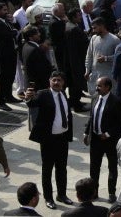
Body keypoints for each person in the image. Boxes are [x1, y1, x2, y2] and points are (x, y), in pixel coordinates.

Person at [28, 71, 76, 205]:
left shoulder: (63, 94)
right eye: (54, 80)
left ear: (63, 83)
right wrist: (28, 98)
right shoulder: (43, 94)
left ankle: (62, 195)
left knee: (62, 168)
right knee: (47, 169)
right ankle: (48, 198)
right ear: (49, 81)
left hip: (62, 139)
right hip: (48, 139)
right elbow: (32, 103)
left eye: (59, 80)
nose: (56, 82)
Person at [85, 77, 121, 202]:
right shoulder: (95, 98)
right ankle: (94, 192)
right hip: (96, 140)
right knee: (94, 167)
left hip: (110, 141)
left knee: (112, 167)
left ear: (108, 87)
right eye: (97, 85)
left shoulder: (116, 102)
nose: (96, 88)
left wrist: (108, 134)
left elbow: (120, 123)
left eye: (99, 86)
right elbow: (91, 117)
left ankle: (111, 192)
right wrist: (86, 133)